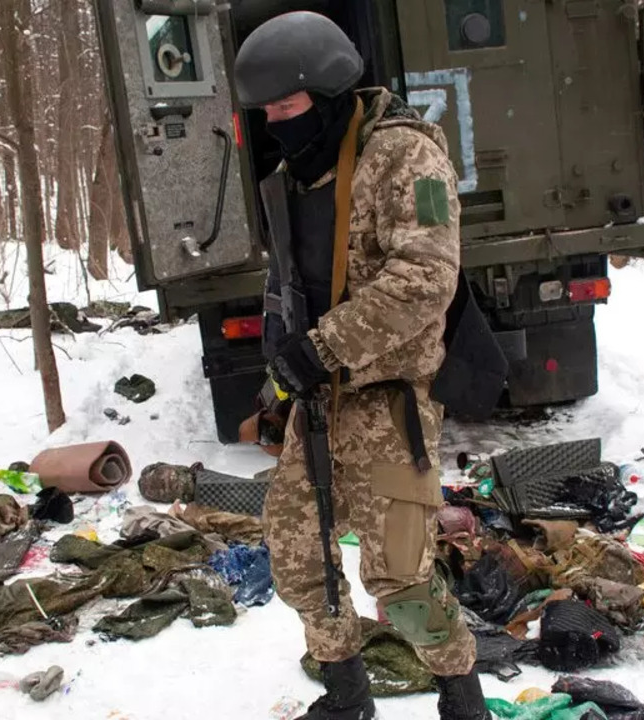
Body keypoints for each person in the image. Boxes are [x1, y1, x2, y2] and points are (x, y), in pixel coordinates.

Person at [233, 11, 490, 720]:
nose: (276, 122)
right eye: (267, 111)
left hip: (386, 399)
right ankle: (347, 696)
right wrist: (280, 373)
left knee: (401, 582)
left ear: (330, 89)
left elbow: (424, 280)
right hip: (316, 403)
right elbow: (290, 283)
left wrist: (321, 349)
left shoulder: (405, 155)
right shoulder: (299, 171)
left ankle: (462, 698)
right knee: (298, 560)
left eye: (287, 106)